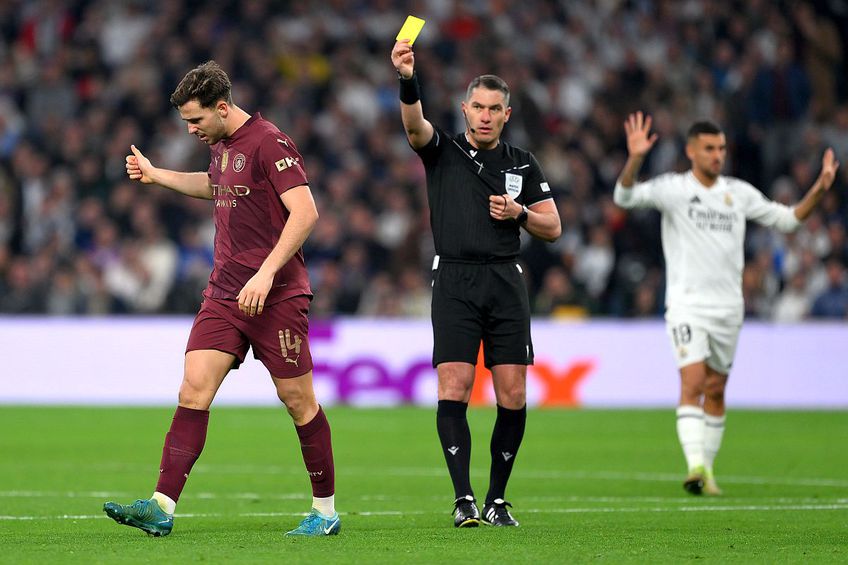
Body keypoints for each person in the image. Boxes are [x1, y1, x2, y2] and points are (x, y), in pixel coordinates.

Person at [102, 61, 340, 537]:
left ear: (223, 108)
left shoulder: (269, 141)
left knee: (299, 402)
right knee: (193, 389)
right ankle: (161, 507)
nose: (191, 130)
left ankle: (326, 512)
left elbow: (306, 211)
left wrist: (266, 275)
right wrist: (156, 174)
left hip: (276, 295)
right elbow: (215, 186)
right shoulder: (223, 144)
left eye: (196, 120)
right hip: (225, 292)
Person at [613, 112, 840, 495]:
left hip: (729, 309)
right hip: (687, 305)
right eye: (709, 149)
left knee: (716, 390)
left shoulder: (739, 192)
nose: (718, 155)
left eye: (721, 148)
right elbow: (624, 197)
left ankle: (709, 473)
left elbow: (788, 221)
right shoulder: (673, 188)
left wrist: (819, 187)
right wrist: (635, 158)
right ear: (691, 151)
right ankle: (694, 465)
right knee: (694, 382)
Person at [391, 40, 561, 527]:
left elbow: (554, 227)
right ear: (465, 109)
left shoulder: (522, 163)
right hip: (455, 280)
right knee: (455, 386)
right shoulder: (443, 150)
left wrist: (520, 212)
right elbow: (412, 125)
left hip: (506, 280)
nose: (485, 116)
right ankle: (464, 498)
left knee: (513, 394)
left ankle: (498, 498)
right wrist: (408, 78)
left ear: (507, 114)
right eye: (478, 107)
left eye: (494, 109)